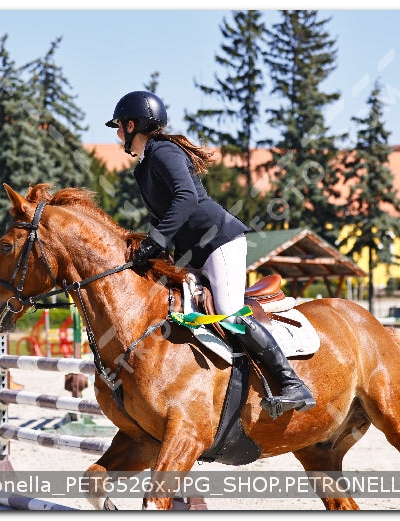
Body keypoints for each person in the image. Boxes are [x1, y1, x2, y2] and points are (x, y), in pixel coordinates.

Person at [106, 90, 315, 418]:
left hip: (219, 241)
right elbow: (164, 220)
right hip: (194, 251)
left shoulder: (163, 150)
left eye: (119, 127)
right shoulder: (144, 168)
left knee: (230, 313)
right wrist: (154, 253)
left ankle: (291, 384)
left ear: (133, 125)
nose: (118, 134)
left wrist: (156, 241)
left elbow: (186, 197)